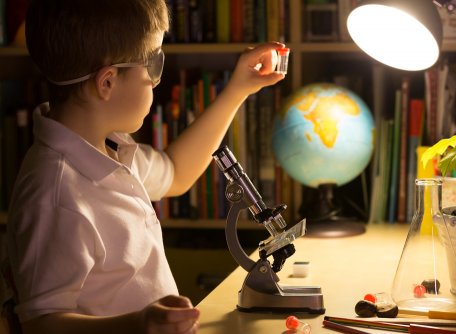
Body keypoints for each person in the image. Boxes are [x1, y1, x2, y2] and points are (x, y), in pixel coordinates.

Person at [5, 0, 285, 333]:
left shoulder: (112, 149)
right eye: (151, 64)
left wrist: (239, 87)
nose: (155, 81)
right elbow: (41, 324)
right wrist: (140, 325)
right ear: (107, 82)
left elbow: (176, 173)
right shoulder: (56, 195)